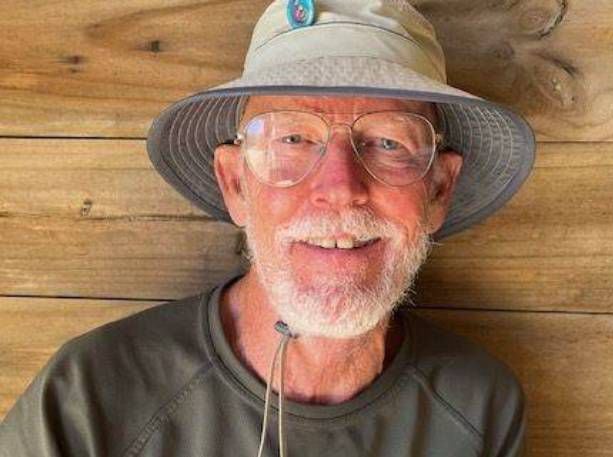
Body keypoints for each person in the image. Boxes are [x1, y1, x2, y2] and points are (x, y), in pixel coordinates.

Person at [0, 1, 535, 456]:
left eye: (388, 142)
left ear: (439, 190)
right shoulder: (91, 397)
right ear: (235, 183)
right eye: (293, 139)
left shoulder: (479, 406)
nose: (340, 187)